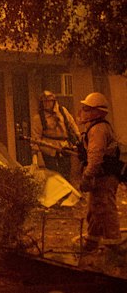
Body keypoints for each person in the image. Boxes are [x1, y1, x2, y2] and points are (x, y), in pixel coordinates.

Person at [77, 92, 121, 253]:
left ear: (97, 112)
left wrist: (87, 176)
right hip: (102, 175)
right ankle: (92, 242)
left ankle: (114, 246)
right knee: (95, 209)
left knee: (105, 209)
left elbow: (95, 158)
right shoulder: (95, 128)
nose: (83, 112)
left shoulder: (98, 130)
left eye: (87, 109)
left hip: (104, 176)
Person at [31, 90, 81, 181]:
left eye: (49, 101)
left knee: (66, 172)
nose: (47, 104)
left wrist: (78, 137)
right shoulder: (38, 118)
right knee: (53, 174)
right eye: (44, 102)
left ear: (54, 101)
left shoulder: (63, 111)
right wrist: (35, 157)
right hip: (49, 148)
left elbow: (72, 124)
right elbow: (35, 137)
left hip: (65, 147)